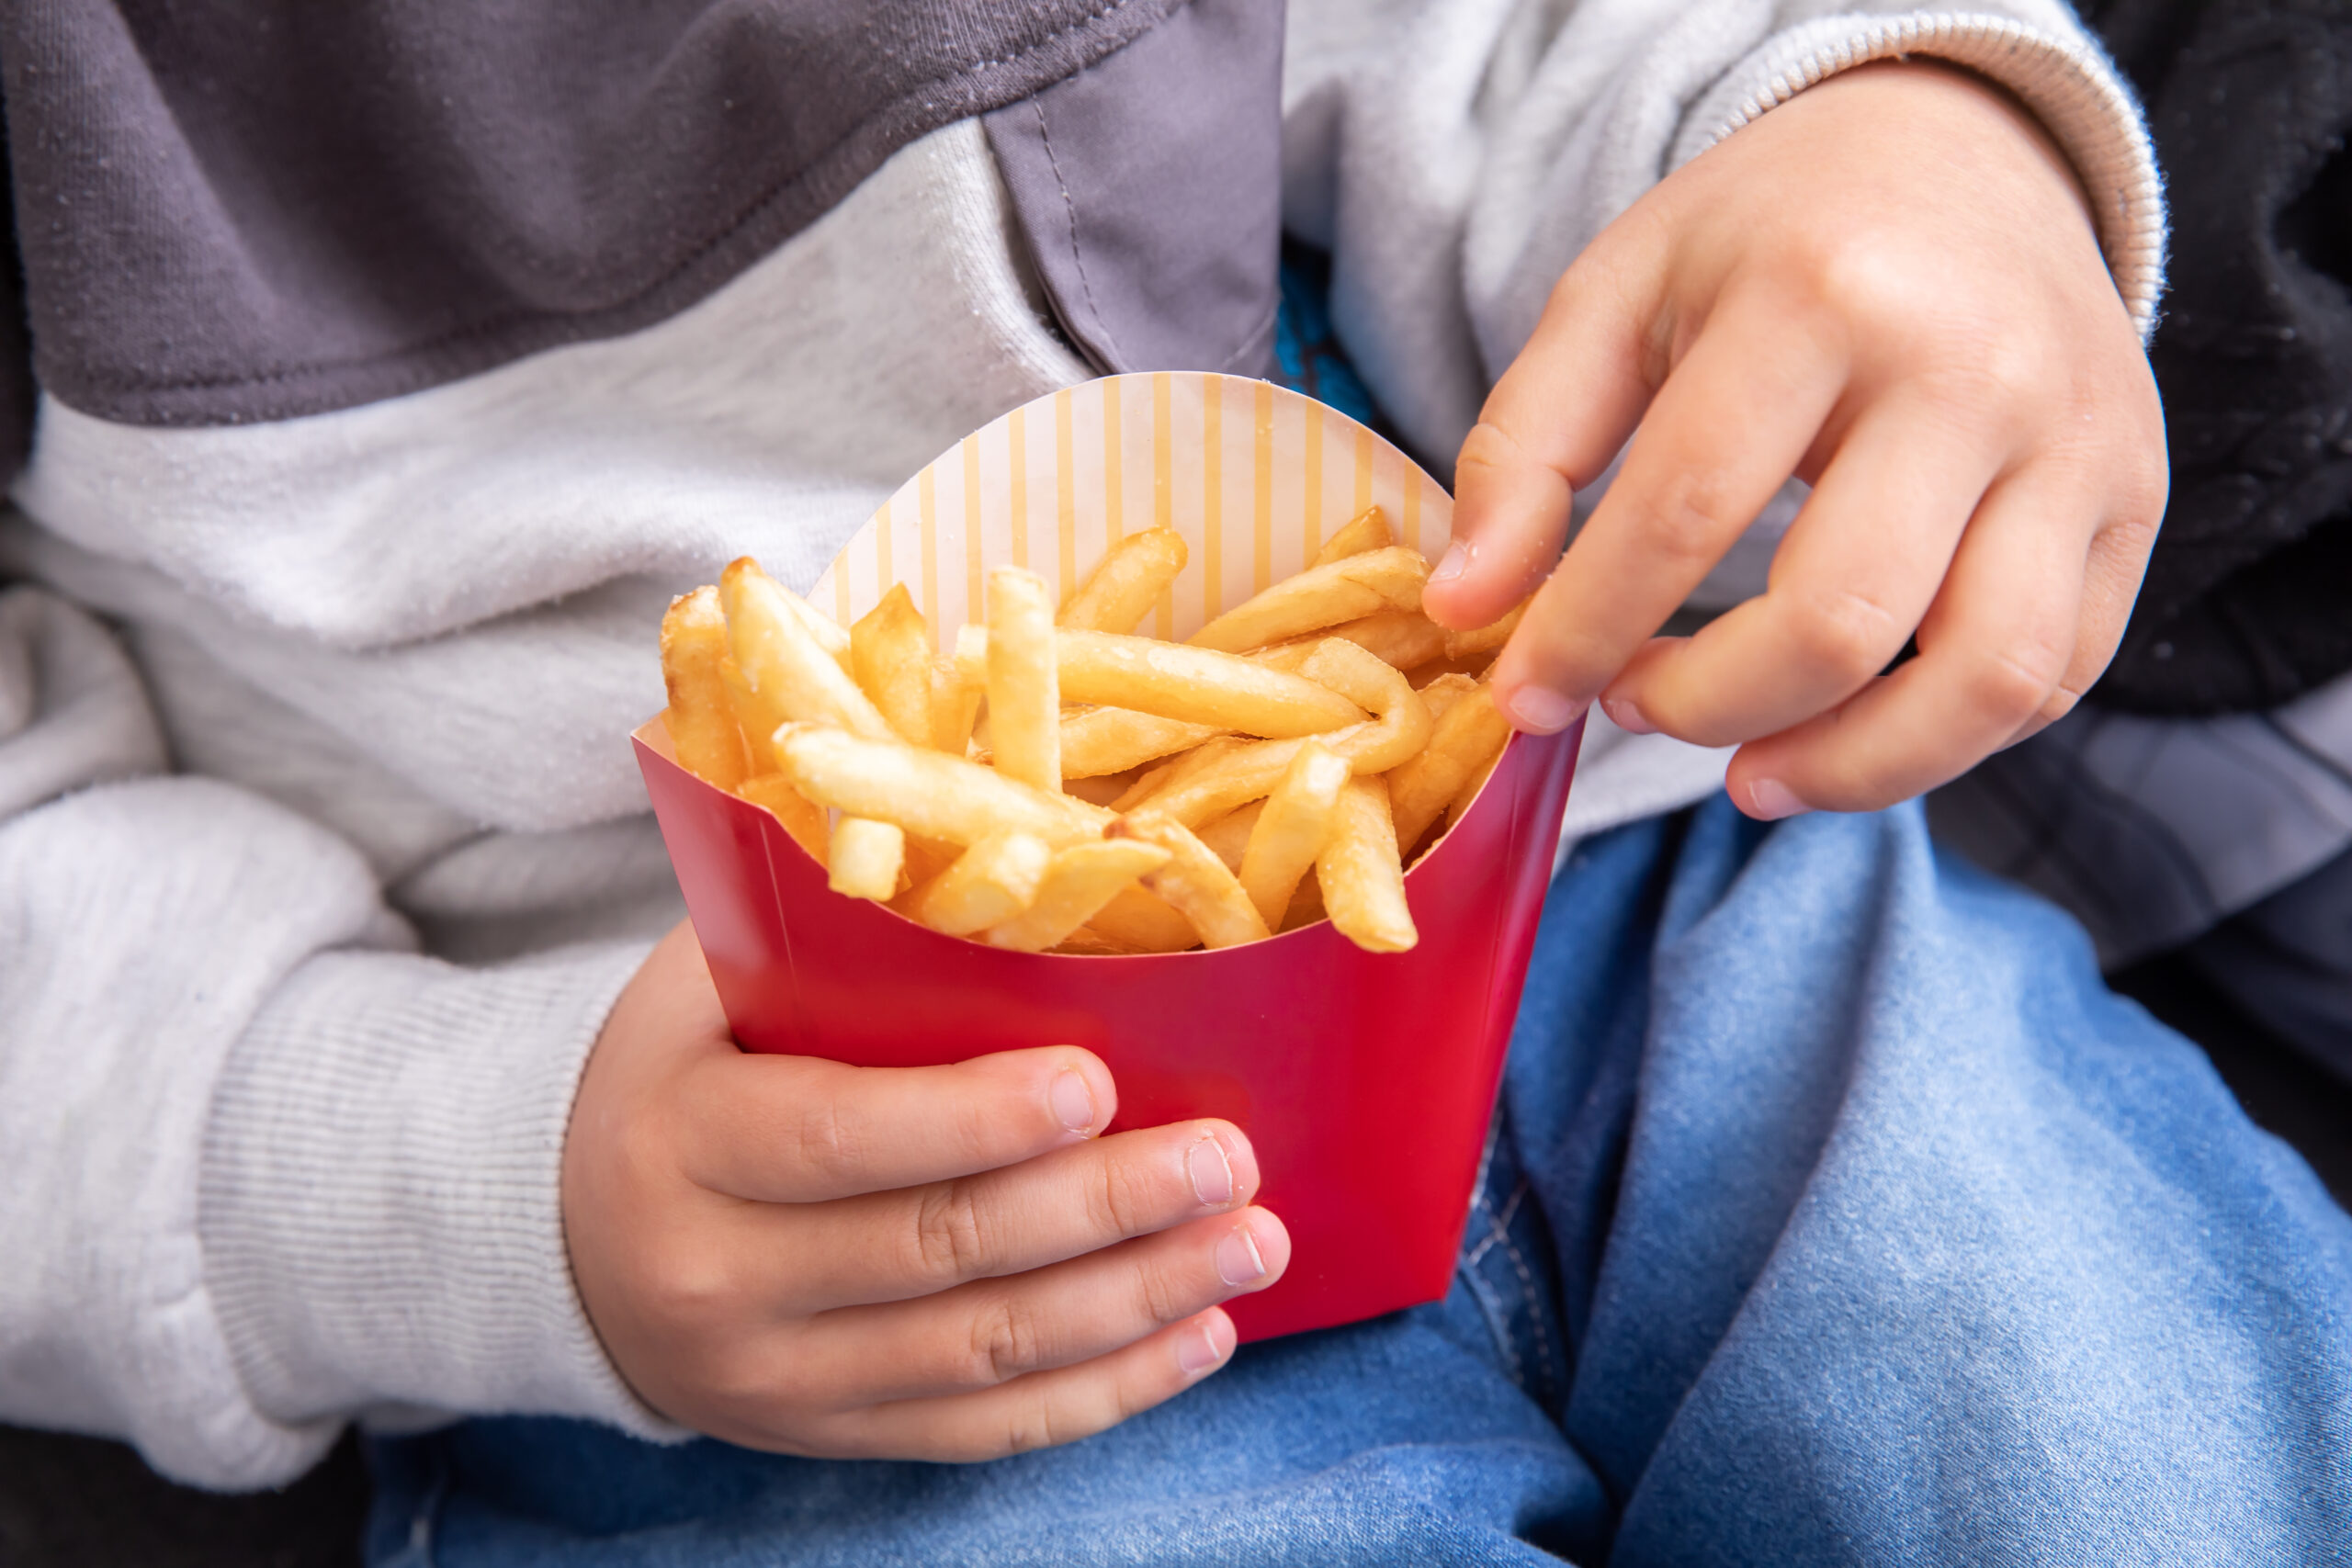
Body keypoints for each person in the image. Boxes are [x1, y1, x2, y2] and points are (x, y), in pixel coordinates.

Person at [2, 2, 2346, 1562]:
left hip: (1654, 872)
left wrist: (1898, 135)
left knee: (2127, 1453)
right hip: (767, 1226)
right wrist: (451, 1183)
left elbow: (1568, 39)